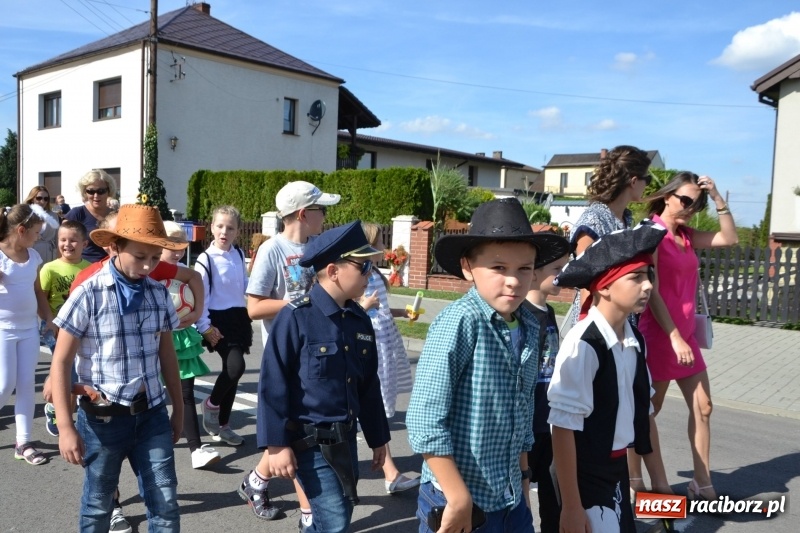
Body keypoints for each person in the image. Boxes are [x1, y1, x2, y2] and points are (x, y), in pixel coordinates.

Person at [407, 198, 570, 533]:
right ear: (468, 267)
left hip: (510, 497)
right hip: (461, 499)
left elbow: (523, 411)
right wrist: (458, 499)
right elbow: (425, 421)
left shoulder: (529, 323)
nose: (513, 280)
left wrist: (524, 482)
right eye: (498, 268)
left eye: (524, 268)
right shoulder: (460, 323)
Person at [50, 204, 187, 532]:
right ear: (114, 247)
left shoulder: (157, 293)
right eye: (140, 256)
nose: (147, 266)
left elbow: (166, 354)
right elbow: (61, 360)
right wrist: (65, 426)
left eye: (154, 258)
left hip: (151, 414)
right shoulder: (89, 294)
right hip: (103, 420)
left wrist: (178, 408)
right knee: (98, 506)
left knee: (165, 503)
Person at [258, 220, 390, 533]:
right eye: (363, 265)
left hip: (346, 439)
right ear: (333, 271)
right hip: (310, 443)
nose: (370, 272)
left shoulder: (358, 320)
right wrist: (275, 445)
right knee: (334, 521)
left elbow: (368, 386)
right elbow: (272, 383)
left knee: (336, 512)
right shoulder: (296, 317)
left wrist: (378, 437)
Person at [548, 220, 666, 533]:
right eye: (637, 277)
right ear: (604, 286)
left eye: (649, 276)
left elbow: (645, 414)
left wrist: (661, 485)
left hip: (616, 471)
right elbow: (562, 428)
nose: (648, 286)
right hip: (583, 475)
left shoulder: (635, 340)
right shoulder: (584, 344)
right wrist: (572, 507)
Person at [240, 180, 340, 524]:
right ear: (303, 213)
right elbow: (254, 307)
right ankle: (310, 512)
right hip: (287, 357)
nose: (325, 216)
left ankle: (256, 482)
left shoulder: (319, 246)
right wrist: (297, 303)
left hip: (319, 354)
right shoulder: (273, 250)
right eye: (321, 210)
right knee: (296, 437)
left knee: (299, 434)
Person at [634, 173, 738, 502]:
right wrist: (675, 337)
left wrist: (718, 197)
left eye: (698, 203)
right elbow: (653, 292)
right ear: (667, 196)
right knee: (648, 409)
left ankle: (702, 482)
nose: (691, 209)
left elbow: (729, 238)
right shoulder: (652, 234)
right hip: (664, 334)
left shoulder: (687, 235)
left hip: (686, 334)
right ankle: (633, 474)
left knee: (704, 407)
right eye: (686, 201)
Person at [358, 222, 420, 494]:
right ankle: (390, 472)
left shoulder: (374, 274)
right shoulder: (359, 274)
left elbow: (380, 308)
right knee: (374, 407)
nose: (384, 246)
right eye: (380, 241)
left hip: (384, 344)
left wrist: (403, 313)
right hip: (370, 344)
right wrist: (364, 306)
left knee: (377, 407)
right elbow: (350, 307)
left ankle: (390, 472)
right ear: (369, 245)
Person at [161, 221, 221, 469]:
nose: (177, 251)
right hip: (153, 338)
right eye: (171, 245)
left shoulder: (186, 272)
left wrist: (199, 321)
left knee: (184, 394)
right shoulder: (147, 270)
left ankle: (196, 448)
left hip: (181, 338)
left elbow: (200, 302)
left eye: (180, 245)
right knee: (150, 395)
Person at [569, 145, 653, 322]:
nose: (648, 185)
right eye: (648, 179)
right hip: (599, 324)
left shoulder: (624, 219)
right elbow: (585, 281)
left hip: (620, 323)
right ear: (634, 181)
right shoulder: (594, 220)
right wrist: (591, 335)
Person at [521, 237, 570, 533]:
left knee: (555, 491)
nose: (562, 275)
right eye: (557, 269)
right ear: (535, 273)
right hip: (529, 422)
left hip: (550, 419)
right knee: (523, 487)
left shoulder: (548, 312)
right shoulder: (523, 315)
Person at [0, 204, 54, 466]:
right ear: (21, 230)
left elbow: (38, 291)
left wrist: (48, 318)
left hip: (29, 331)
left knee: (25, 385)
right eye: (35, 232)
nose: (38, 237)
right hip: (3, 331)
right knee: (4, 384)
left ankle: (23, 442)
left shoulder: (33, 256)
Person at [195, 205, 251, 447]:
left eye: (230, 228)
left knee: (233, 373)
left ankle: (224, 426)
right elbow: (201, 295)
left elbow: (245, 285)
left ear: (237, 231)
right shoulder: (205, 259)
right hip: (216, 320)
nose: (224, 231)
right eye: (219, 226)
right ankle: (211, 405)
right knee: (236, 367)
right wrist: (204, 326)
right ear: (212, 227)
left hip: (239, 316)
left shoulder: (238, 254)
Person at [39, 220, 91, 436]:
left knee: (76, 375)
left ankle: (67, 413)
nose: (67, 244)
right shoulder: (49, 268)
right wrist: (49, 320)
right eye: (62, 240)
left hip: (82, 329)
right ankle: (57, 410)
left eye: (73, 240)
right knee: (67, 372)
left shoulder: (88, 268)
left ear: (84, 244)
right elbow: (40, 297)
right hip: (56, 329)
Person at [65, 169, 118, 263]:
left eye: (101, 191)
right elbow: (63, 244)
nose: (96, 195)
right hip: (83, 269)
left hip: (112, 268)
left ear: (109, 191)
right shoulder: (76, 214)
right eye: (91, 191)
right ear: (85, 193)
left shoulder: (116, 216)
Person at [23, 185, 61, 263]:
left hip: (49, 252)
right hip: (30, 251)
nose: (42, 201)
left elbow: (58, 237)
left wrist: (59, 254)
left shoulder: (53, 215)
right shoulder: (25, 214)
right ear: (32, 198)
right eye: (39, 198)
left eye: (46, 199)